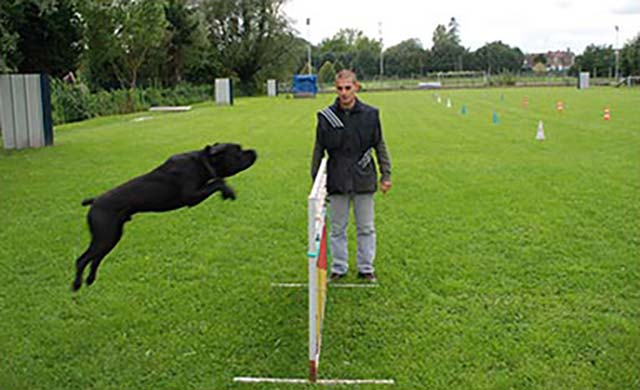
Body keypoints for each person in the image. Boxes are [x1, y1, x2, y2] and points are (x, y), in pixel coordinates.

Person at [310, 69, 392, 282]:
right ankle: (339, 267)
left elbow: (379, 145)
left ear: (356, 87)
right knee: (338, 228)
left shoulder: (370, 114)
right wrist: (316, 184)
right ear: (335, 89)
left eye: (348, 88)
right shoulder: (326, 117)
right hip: (337, 180)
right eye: (340, 89)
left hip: (363, 178)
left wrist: (386, 174)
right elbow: (318, 150)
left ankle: (366, 268)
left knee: (366, 227)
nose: (344, 93)